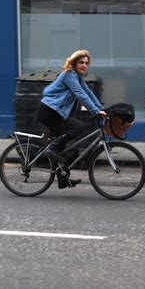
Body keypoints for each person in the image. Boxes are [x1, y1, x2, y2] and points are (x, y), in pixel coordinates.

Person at [35, 49, 107, 188]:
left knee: (61, 147)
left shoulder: (78, 77)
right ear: (74, 63)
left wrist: (101, 109)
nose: (84, 65)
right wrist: (95, 111)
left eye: (86, 63)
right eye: (81, 62)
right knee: (78, 127)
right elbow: (80, 94)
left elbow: (89, 93)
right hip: (48, 112)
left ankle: (62, 180)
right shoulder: (69, 75)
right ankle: (52, 149)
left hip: (55, 112)